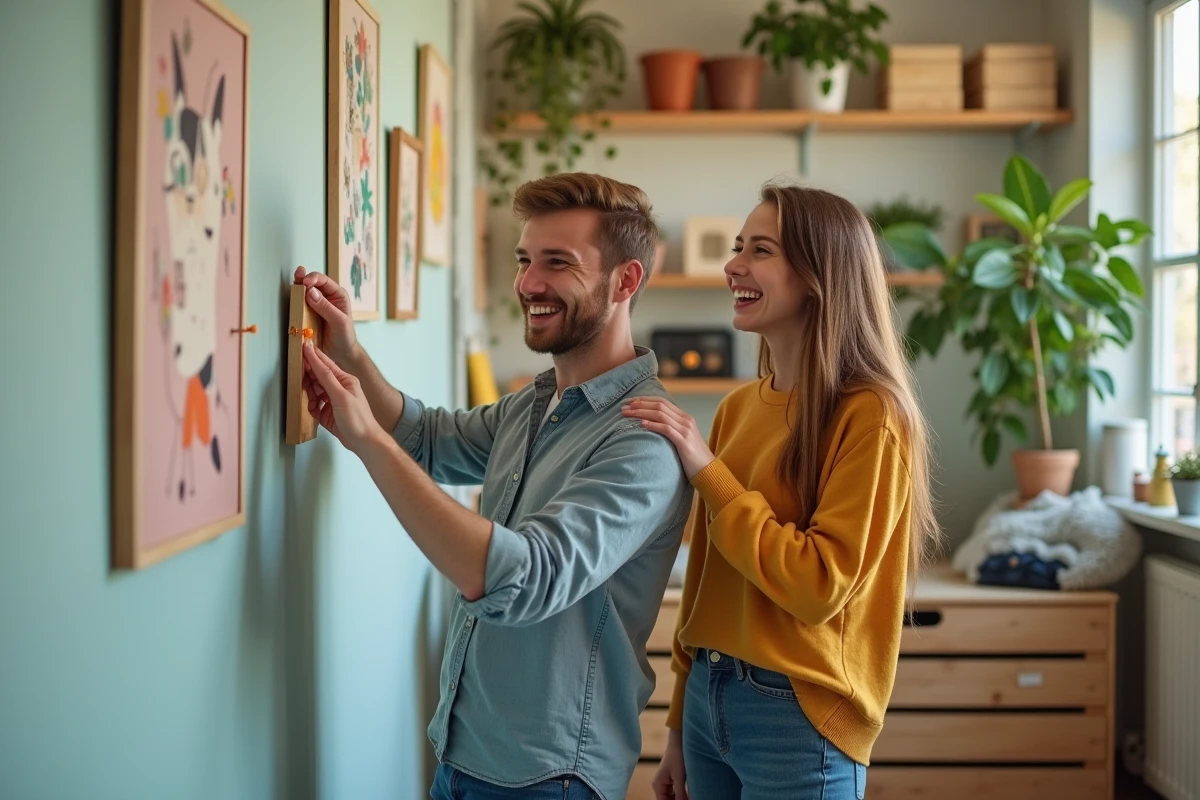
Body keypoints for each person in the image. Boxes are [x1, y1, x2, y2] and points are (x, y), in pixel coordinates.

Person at [295, 172, 692, 800]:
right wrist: (350, 352)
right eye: (525, 260)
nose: (528, 284)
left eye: (557, 263)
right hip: (465, 754)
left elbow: (522, 577)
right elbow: (426, 437)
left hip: (549, 778)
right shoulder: (536, 404)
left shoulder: (643, 443)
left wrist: (366, 441)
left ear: (626, 281)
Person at [624, 183, 940, 800]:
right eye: (738, 246)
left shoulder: (871, 414)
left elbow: (817, 585)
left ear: (819, 276)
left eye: (759, 250)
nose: (733, 264)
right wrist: (679, 724)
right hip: (709, 702)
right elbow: (707, 581)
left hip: (797, 715)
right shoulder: (738, 408)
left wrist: (709, 472)